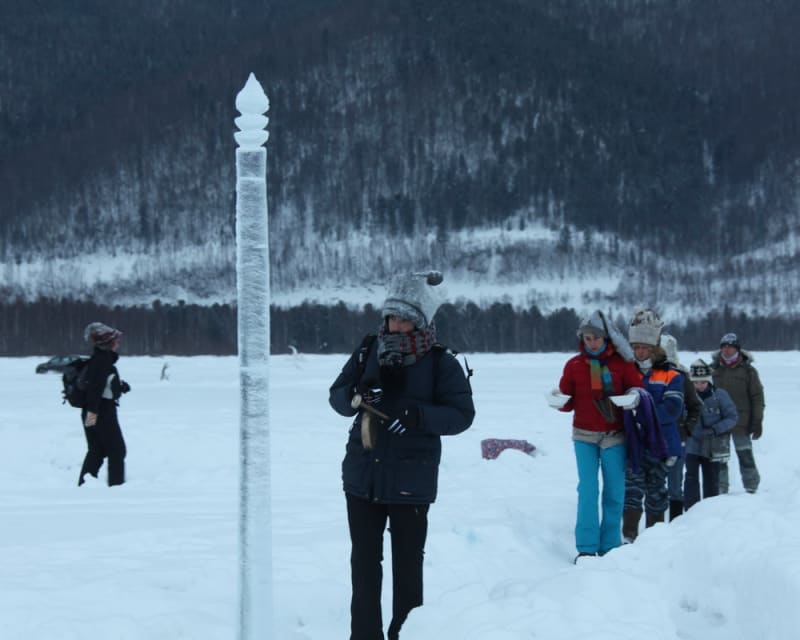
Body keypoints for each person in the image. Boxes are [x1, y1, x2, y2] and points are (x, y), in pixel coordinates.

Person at [329, 271, 475, 640]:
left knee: (408, 569)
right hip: (362, 477)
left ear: (421, 321)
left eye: (405, 319)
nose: (396, 325)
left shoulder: (441, 362)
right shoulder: (368, 349)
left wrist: (417, 417)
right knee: (364, 565)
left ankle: (406, 634)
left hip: (412, 480)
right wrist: (357, 395)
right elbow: (337, 396)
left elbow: (462, 415)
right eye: (392, 317)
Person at [553, 309, 642, 562]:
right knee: (588, 491)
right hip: (584, 436)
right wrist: (558, 401)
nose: (592, 343)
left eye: (596, 338)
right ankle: (586, 548)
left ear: (607, 338)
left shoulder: (622, 363)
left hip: (615, 436)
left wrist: (633, 398)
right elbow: (567, 400)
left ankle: (610, 545)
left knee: (615, 491)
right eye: (587, 338)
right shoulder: (574, 365)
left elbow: (638, 390)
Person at [622, 308, 684, 541]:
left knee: (656, 493)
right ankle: (629, 538)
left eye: (644, 348)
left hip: (661, 445)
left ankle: (653, 542)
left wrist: (642, 415)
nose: (640, 352)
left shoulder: (671, 375)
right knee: (631, 492)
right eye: (636, 347)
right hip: (633, 444)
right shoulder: (627, 372)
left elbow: (673, 409)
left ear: (654, 348)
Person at [711, 332, 765, 494]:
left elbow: (757, 397)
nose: (727, 350)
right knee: (719, 458)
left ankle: (751, 486)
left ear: (737, 349)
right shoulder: (713, 369)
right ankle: (720, 489)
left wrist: (757, 421)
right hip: (719, 422)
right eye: (724, 347)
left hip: (742, 422)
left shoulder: (748, 371)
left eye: (730, 347)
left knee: (745, 455)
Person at [79, 322, 130, 487]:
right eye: (116, 340)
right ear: (108, 343)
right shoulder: (102, 361)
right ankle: (116, 488)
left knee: (97, 450)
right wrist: (93, 415)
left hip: (93, 411)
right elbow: (95, 389)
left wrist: (120, 387)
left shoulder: (101, 360)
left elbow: (101, 385)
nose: (118, 343)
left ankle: (84, 487)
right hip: (101, 412)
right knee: (117, 450)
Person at [684, 359, 737, 509]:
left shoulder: (720, 396)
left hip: (712, 446)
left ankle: (710, 510)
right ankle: (691, 510)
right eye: (695, 382)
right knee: (690, 478)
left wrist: (715, 429)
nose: (699, 386)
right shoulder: (686, 396)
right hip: (691, 444)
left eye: (703, 382)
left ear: (709, 381)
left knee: (711, 479)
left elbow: (732, 417)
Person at [660, 334, 702, 521]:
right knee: (655, 487)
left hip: (678, 439)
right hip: (654, 440)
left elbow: (695, 406)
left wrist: (687, 429)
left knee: (675, 487)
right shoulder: (648, 375)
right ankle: (654, 529)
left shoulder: (682, 377)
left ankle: (675, 525)